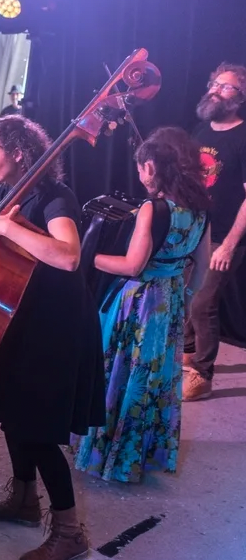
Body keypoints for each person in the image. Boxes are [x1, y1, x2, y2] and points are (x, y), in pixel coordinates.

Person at [0, 115, 104, 560]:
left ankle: (69, 532)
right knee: (12, 414)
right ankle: (24, 499)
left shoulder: (54, 197)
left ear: (20, 153)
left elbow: (67, 256)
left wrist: (6, 227)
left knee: (38, 429)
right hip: (22, 320)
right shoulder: (9, 194)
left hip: (56, 328)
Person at [73, 127, 210, 483]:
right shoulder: (200, 210)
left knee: (120, 372)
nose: (140, 175)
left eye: (141, 168)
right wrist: (182, 299)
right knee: (156, 379)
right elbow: (203, 268)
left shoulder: (153, 208)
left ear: (151, 166)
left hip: (140, 300)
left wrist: (88, 257)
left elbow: (132, 266)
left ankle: (110, 453)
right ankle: (143, 454)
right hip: (171, 301)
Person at [184, 63, 246, 401]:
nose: (215, 90)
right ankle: (190, 350)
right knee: (188, 296)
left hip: (226, 236)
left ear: (240, 98)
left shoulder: (243, 136)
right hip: (195, 232)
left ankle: (202, 375)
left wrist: (229, 245)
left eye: (226, 87)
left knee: (204, 303)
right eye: (214, 83)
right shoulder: (200, 131)